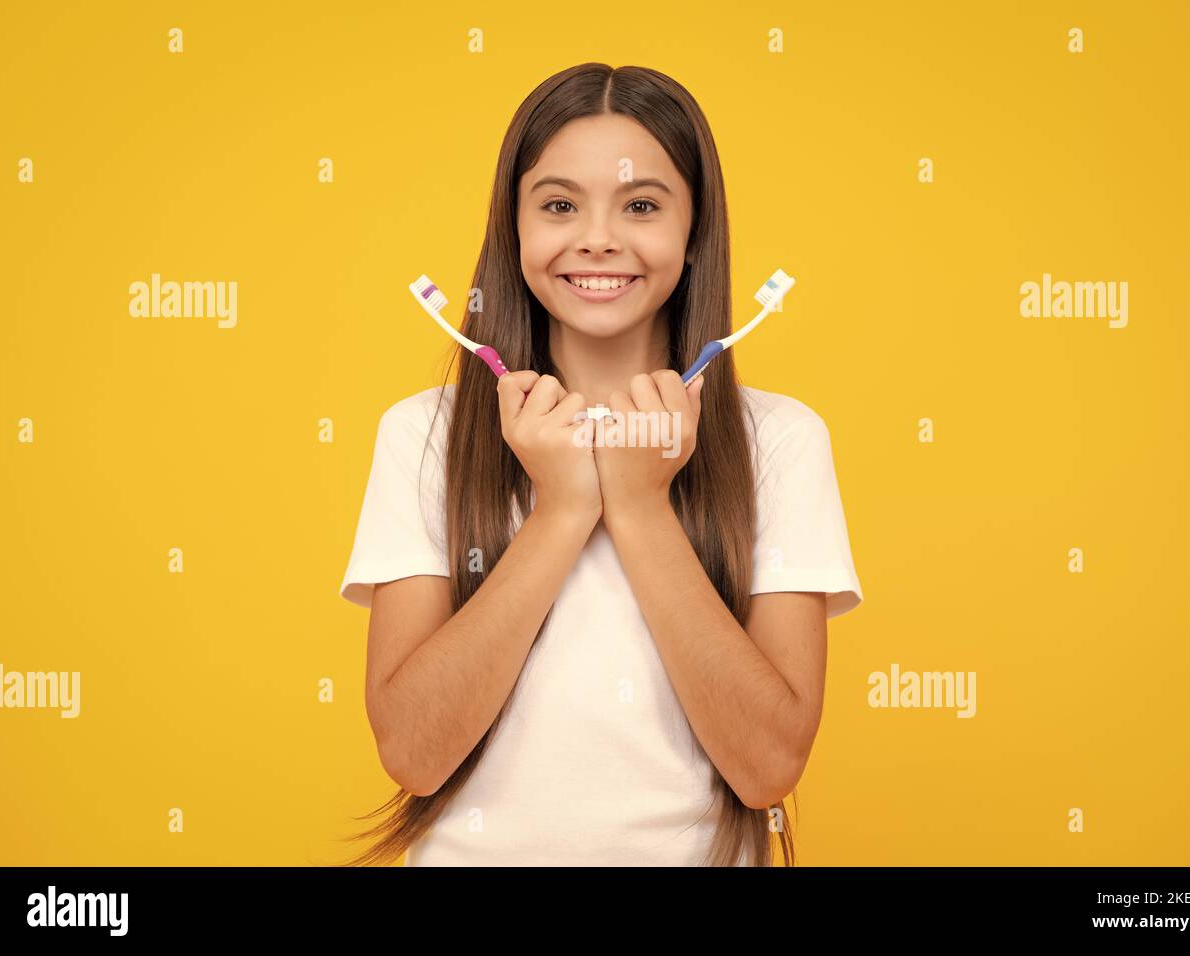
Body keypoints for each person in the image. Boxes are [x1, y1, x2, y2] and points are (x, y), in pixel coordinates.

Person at [338, 63, 863, 867]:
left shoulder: (783, 441)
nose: (598, 239)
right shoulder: (424, 436)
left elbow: (767, 768)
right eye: (558, 205)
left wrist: (643, 505)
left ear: (694, 236)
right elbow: (413, 752)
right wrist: (560, 510)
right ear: (514, 231)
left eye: (642, 206)